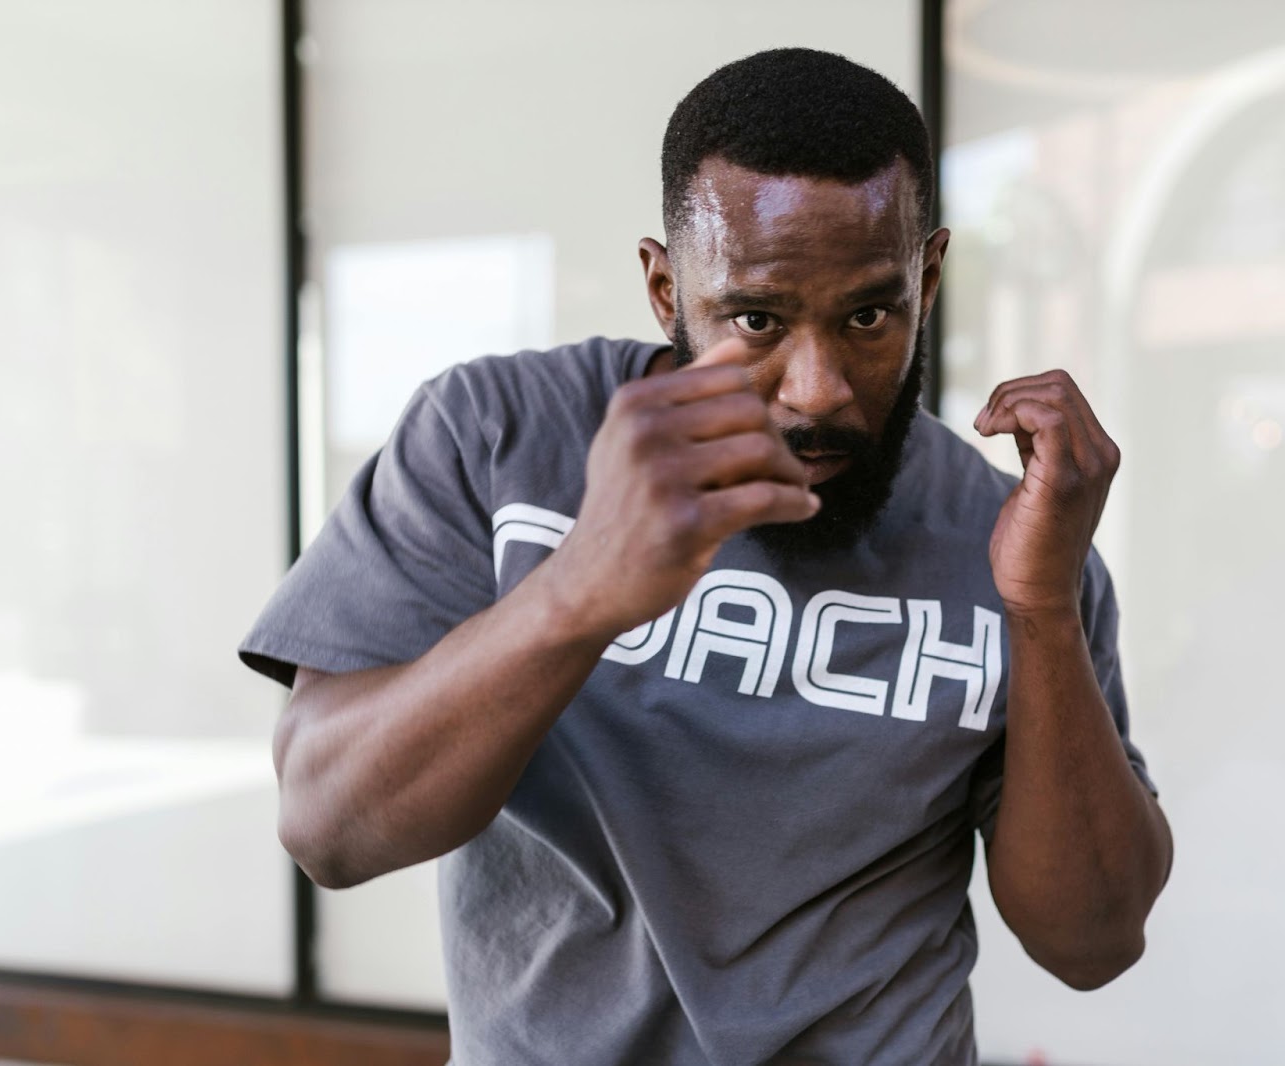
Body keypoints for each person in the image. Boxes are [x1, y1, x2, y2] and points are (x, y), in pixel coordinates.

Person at [240, 47, 1171, 1066]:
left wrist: (1038, 604)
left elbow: (1092, 939)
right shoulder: (497, 438)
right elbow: (328, 825)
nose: (817, 388)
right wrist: (578, 591)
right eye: (757, 319)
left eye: (868, 314)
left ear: (928, 278)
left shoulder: (1012, 540)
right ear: (664, 285)